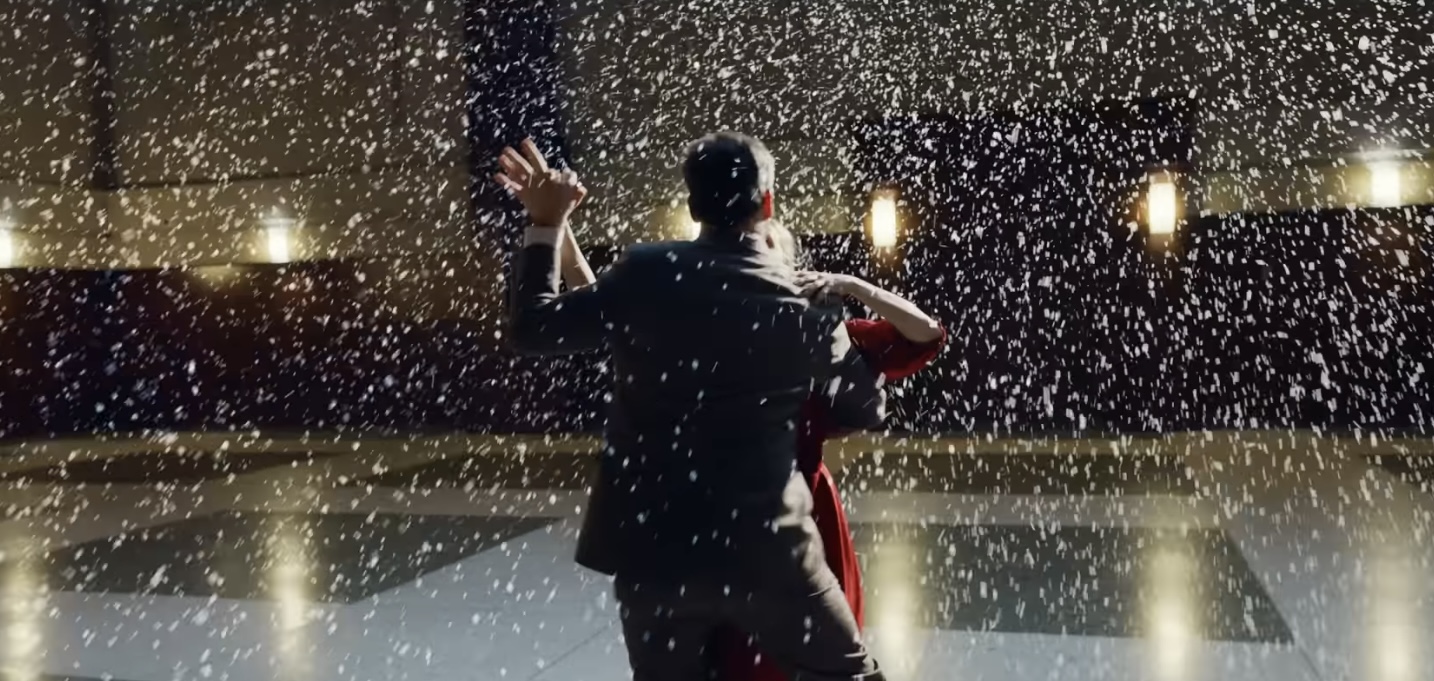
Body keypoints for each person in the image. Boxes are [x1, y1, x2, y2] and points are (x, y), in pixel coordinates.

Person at [498, 133, 887, 680]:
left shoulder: (646, 272)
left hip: (654, 551)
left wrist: (547, 224)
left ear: (693, 203)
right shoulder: (804, 296)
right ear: (768, 202)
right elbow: (866, 408)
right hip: (770, 551)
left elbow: (534, 328)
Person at [560, 220, 945, 681]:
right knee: (732, 657)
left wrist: (851, 285)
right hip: (714, 515)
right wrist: (557, 227)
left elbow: (924, 334)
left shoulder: (822, 331)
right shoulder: (698, 328)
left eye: (759, 247)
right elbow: (603, 307)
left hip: (798, 514)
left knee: (805, 660)